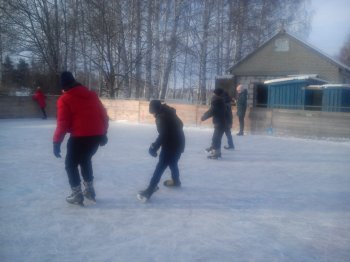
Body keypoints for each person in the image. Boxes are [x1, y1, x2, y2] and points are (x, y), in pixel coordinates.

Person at [53, 71, 109, 206]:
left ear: (64, 86)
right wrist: (103, 133)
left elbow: (63, 123)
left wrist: (56, 142)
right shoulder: (92, 95)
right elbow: (104, 116)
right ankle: (89, 190)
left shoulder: (65, 99)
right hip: (95, 137)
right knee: (85, 160)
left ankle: (77, 194)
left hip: (79, 138)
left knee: (70, 165)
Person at [137, 100, 185, 202]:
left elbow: (163, 135)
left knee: (160, 166)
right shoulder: (169, 112)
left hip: (171, 145)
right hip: (180, 142)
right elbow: (181, 124)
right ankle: (176, 181)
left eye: (152, 112)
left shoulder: (161, 117)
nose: (153, 114)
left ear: (155, 110)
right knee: (173, 162)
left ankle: (150, 189)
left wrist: (154, 147)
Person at [201, 88, 226, 159]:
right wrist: (205, 114)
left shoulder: (216, 100)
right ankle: (216, 152)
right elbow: (212, 109)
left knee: (216, 138)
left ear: (215, 93)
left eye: (213, 93)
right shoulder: (220, 100)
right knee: (216, 138)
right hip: (221, 122)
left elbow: (212, 110)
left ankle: (216, 154)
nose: (213, 94)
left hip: (219, 123)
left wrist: (204, 117)